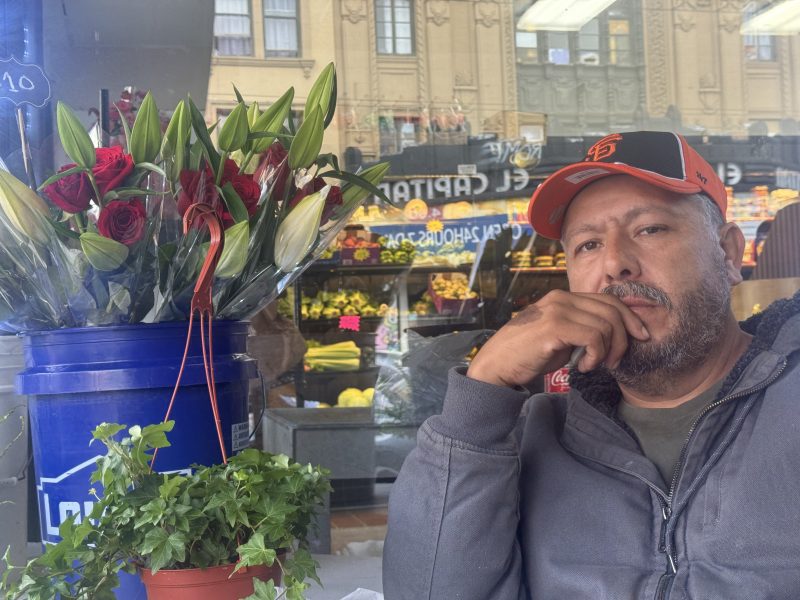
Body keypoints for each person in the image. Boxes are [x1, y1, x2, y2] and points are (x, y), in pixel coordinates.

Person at [383, 131, 800, 599]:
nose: (616, 264)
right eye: (587, 245)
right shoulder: (528, 438)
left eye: (649, 229)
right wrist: (482, 392)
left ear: (727, 253)